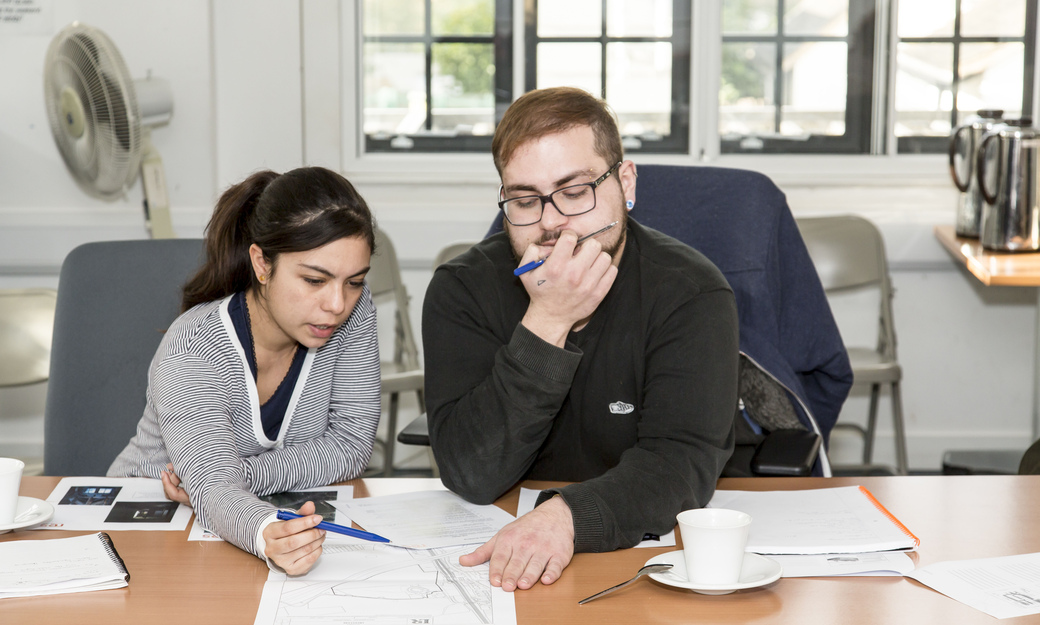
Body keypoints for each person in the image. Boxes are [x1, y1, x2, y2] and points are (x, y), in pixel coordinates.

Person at [422, 87, 740, 592]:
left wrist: (563, 518)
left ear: (625, 182)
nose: (550, 222)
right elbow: (471, 473)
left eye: (574, 192)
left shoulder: (691, 290)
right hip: (495, 549)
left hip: (637, 553)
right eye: (525, 200)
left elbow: (680, 465)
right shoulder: (462, 288)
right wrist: (547, 321)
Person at [108, 167, 381, 575]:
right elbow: (215, 487)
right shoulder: (193, 346)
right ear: (262, 264)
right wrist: (260, 524)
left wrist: (233, 477)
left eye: (355, 281)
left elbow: (351, 444)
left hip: (234, 503)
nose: (337, 304)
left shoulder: (354, 314)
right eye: (313, 280)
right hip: (149, 513)